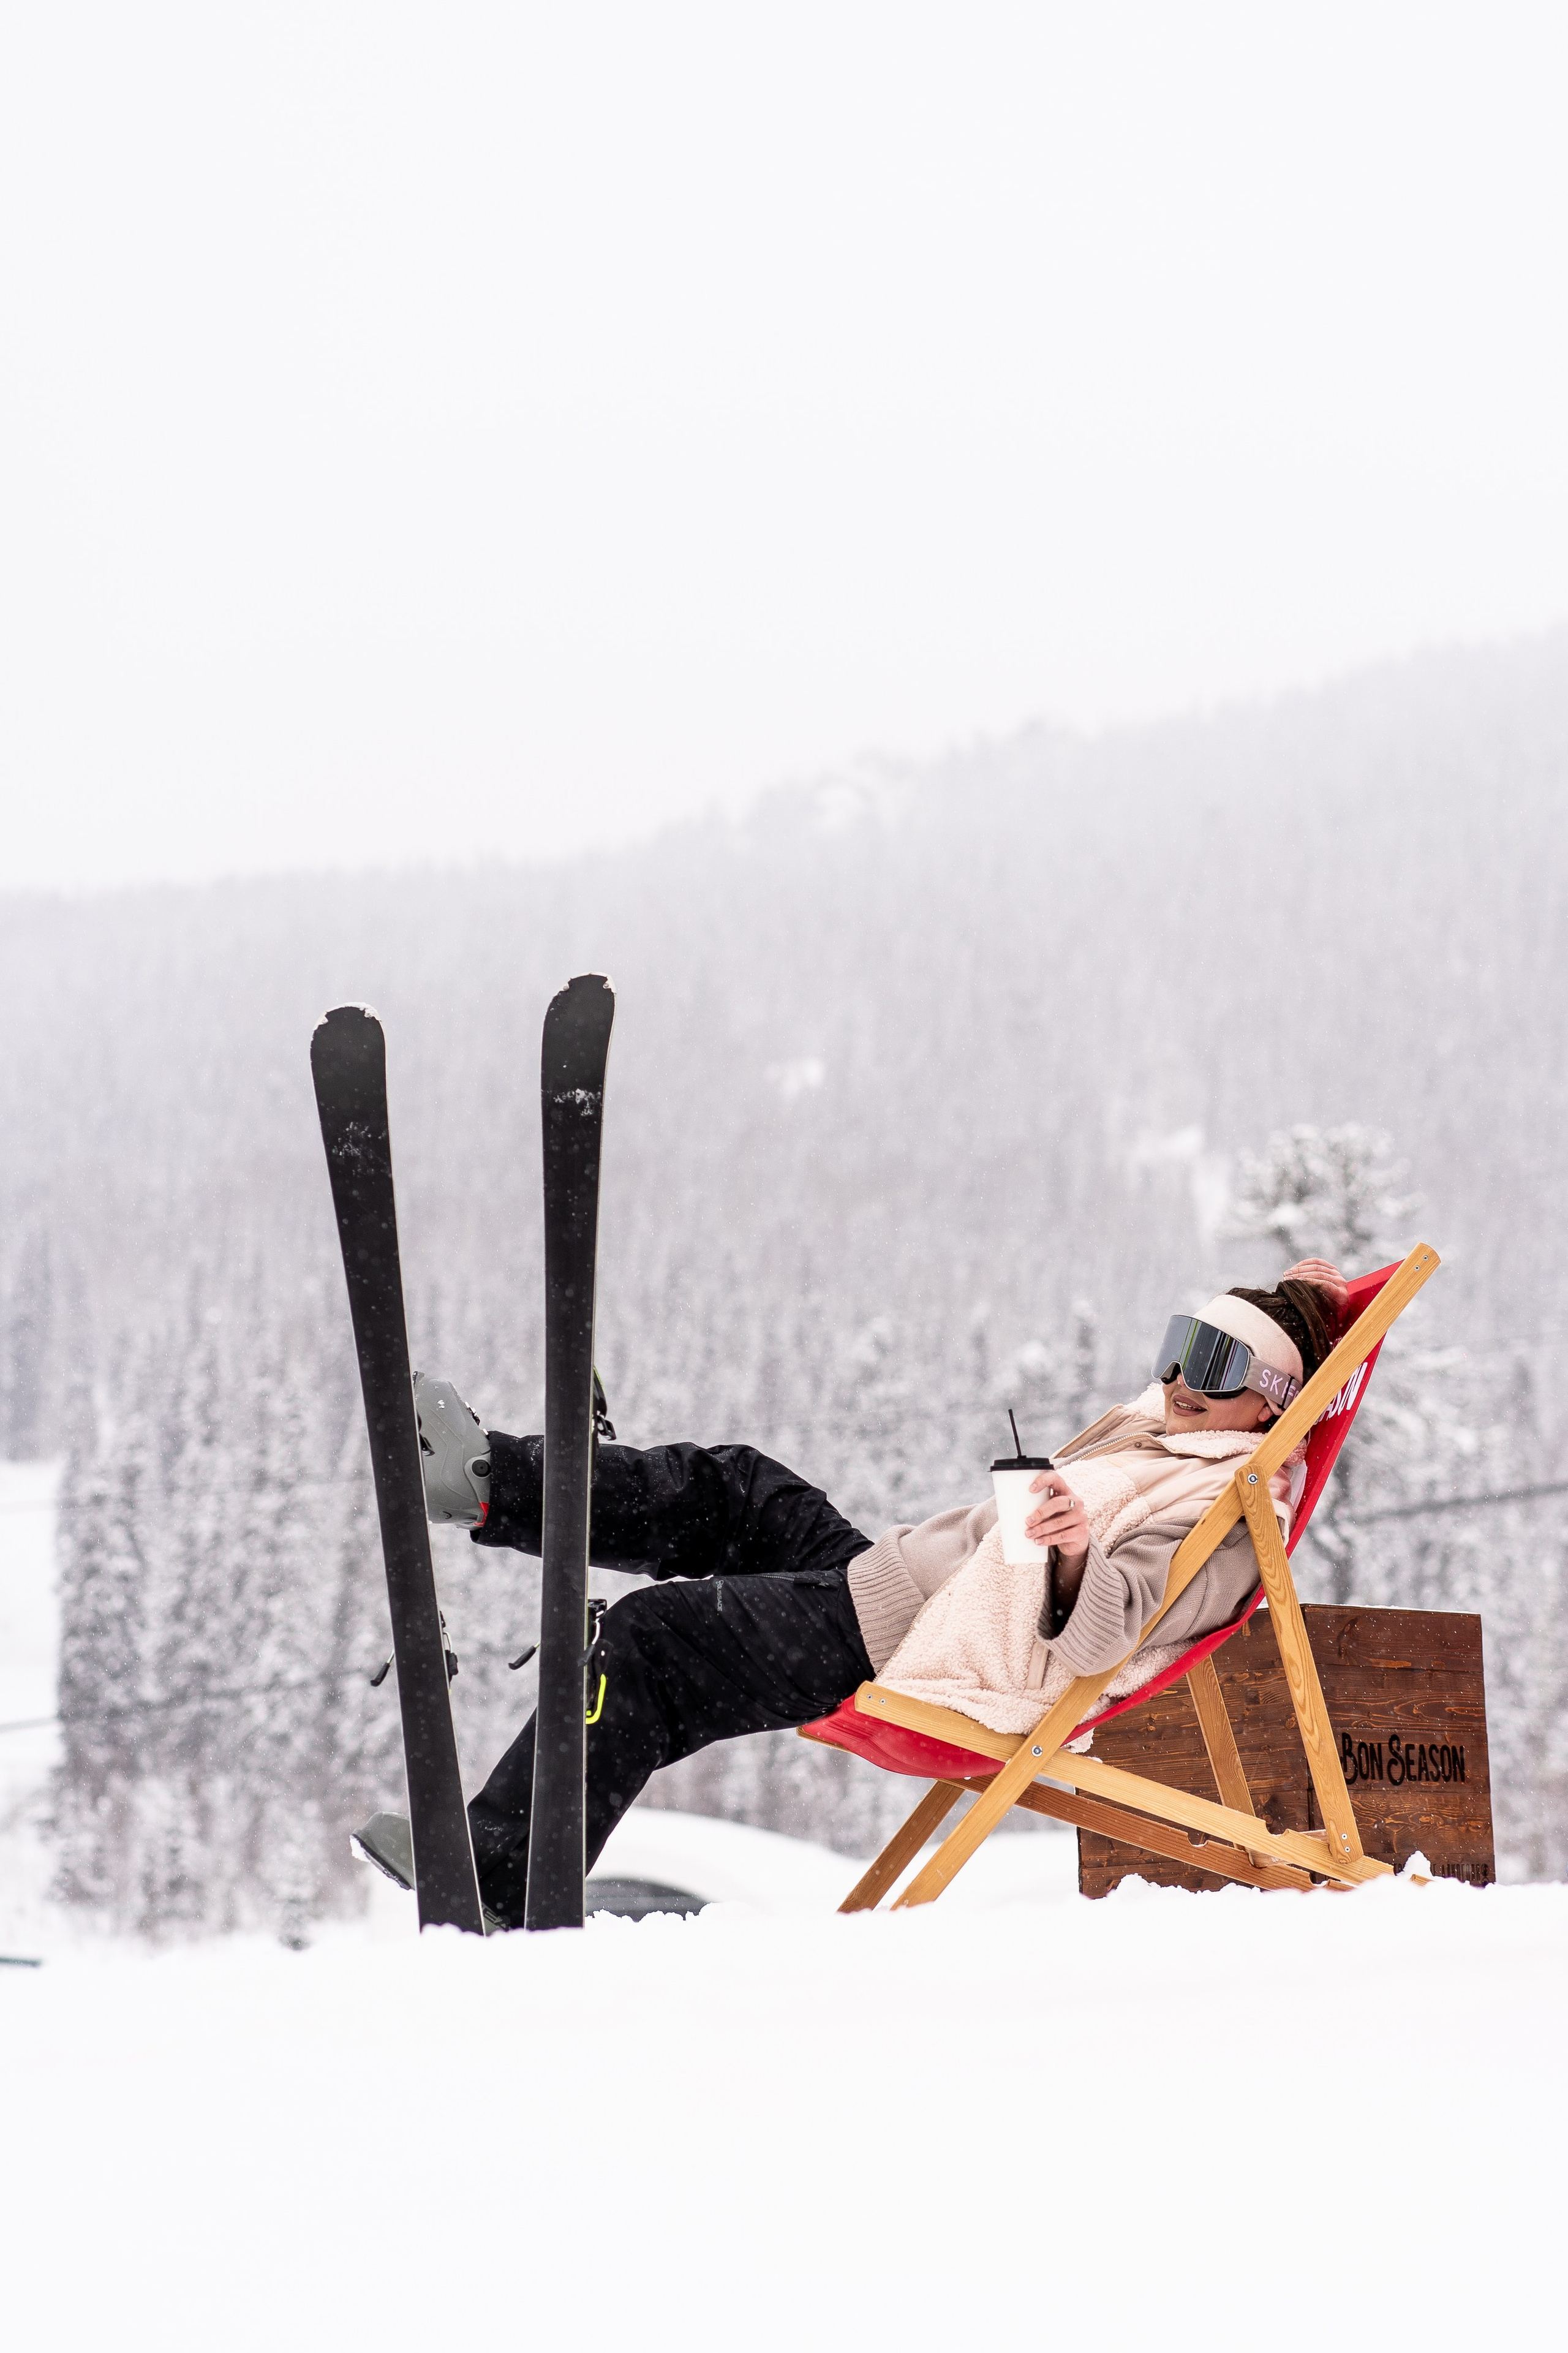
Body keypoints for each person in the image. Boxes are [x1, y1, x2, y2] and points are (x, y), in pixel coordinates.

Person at [417, 1258, 1346, 1927]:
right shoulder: (1176, 1438)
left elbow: (1106, 1640)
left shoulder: (1229, 1517)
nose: (1180, 1379)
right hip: (891, 1588)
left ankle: (504, 1879)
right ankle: (489, 1481)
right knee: (737, 1484)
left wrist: (1071, 1554)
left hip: (911, 1649)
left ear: (1269, 1400)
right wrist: (1307, 1302)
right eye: (1182, 1348)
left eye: (1215, 1365)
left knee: (654, 1640)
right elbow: (1238, 1384)